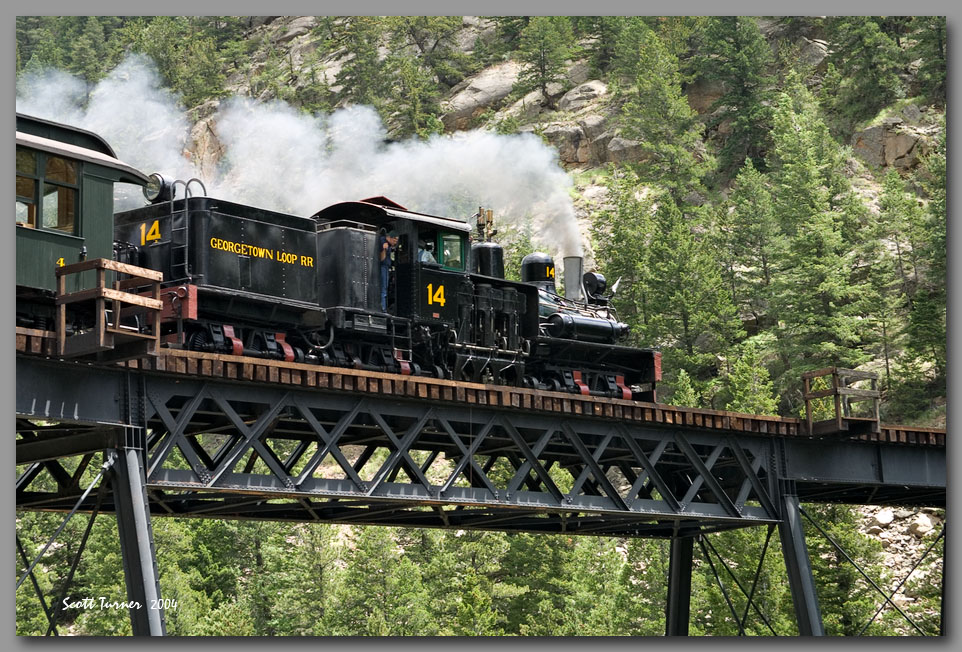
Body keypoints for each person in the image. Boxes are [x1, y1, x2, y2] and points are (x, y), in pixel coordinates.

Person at [378, 229, 399, 310]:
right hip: (383, 267)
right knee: (383, 289)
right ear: (389, 237)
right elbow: (382, 259)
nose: (395, 242)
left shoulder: (389, 245)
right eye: (395, 239)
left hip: (386, 267)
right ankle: (383, 308)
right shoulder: (383, 242)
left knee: (385, 289)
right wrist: (384, 249)